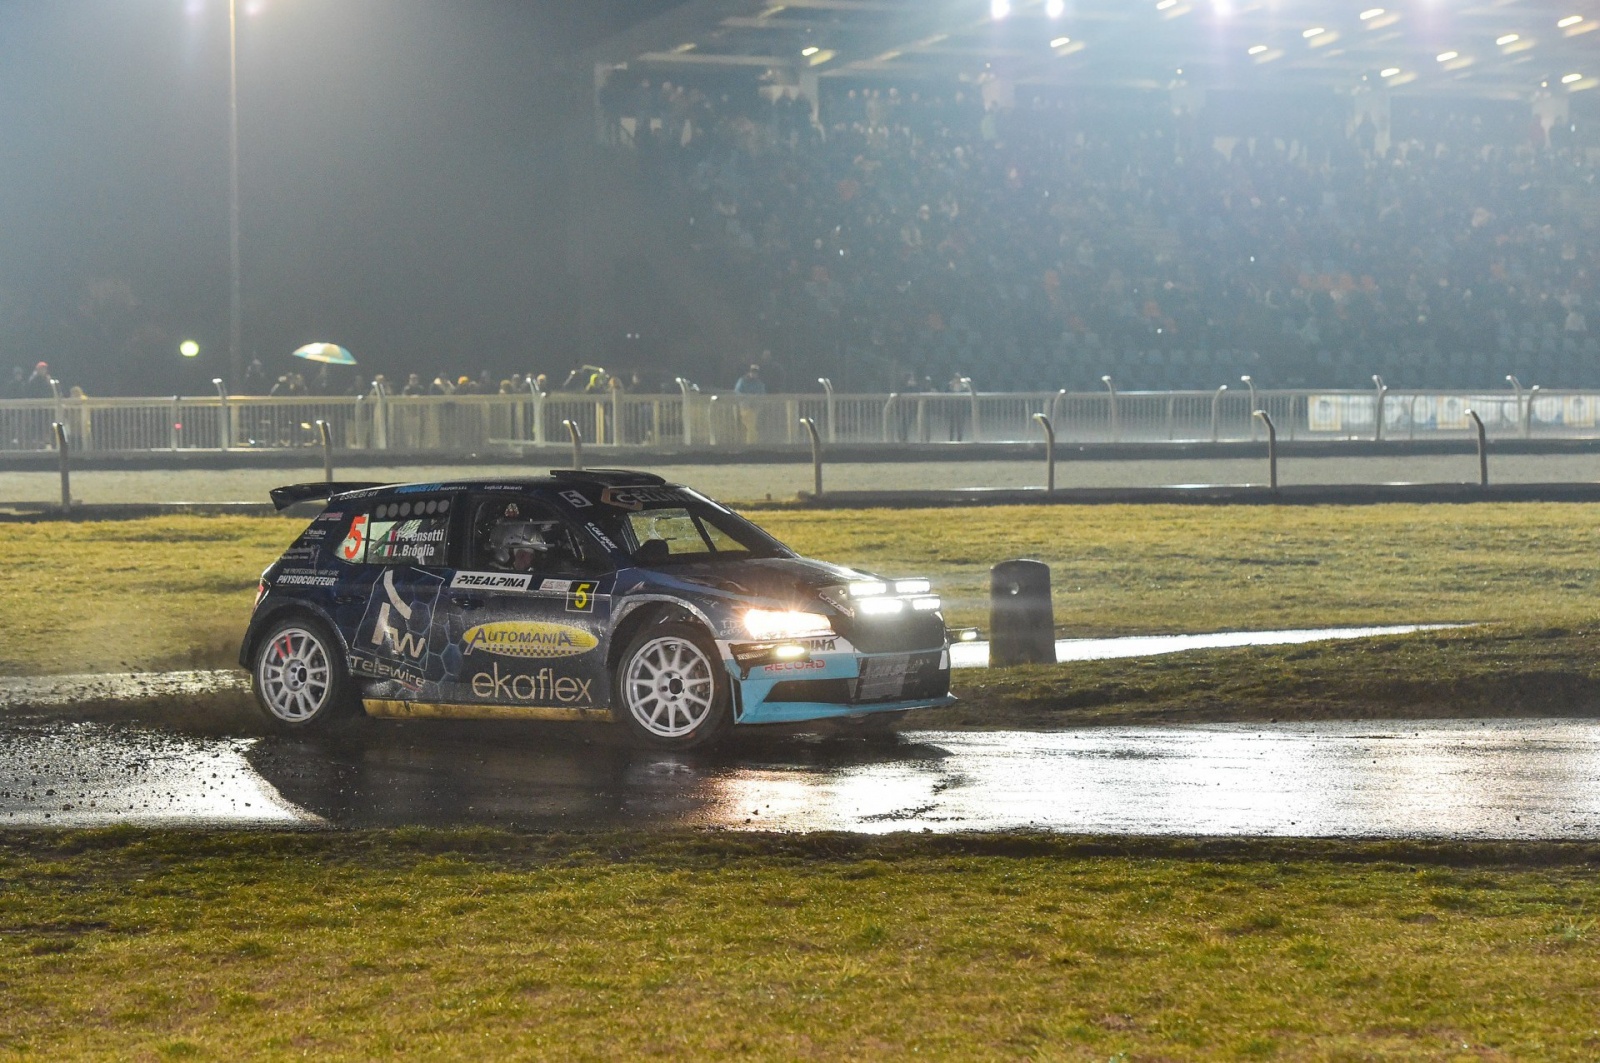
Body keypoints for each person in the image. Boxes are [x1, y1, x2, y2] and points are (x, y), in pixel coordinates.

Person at [733, 364, 765, 444]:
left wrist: (756, 399)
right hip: (745, 407)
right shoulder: (742, 381)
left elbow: (762, 394)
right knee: (751, 426)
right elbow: (737, 392)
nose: (754, 374)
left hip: (755, 407)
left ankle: (752, 443)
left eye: (756, 372)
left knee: (751, 426)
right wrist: (746, 398)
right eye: (752, 372)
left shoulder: (759, 383)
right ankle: (752, 443)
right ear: (749, 372)